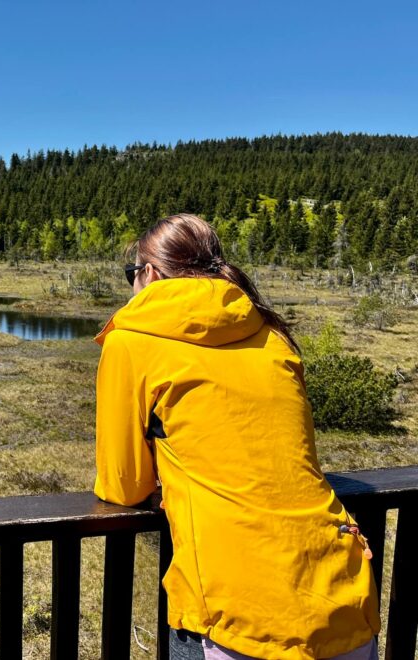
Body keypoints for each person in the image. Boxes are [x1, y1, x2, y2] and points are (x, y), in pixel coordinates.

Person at [94, 214, 380, 660]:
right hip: (339, 587)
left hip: (232, 606)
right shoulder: (270, 333)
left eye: (132, 274)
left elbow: (124, 486)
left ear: (149, 274)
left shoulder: (129, 342)